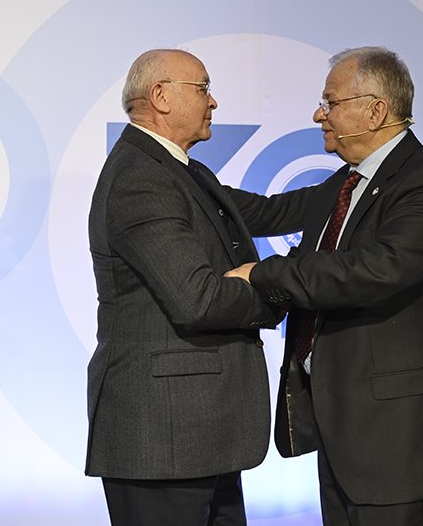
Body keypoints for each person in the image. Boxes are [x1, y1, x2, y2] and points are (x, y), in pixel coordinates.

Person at [226, 47, 423, 526]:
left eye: (330, 102)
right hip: (344, 429)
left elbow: (370, 273)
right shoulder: (345, 183)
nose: (318, 114)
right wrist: (179, 175)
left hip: (398, 437)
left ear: (375, 110)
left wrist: (262, 274)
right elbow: (267, 212)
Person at [85, 49, 308, 526]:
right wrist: (272, 287)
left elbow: (271, 212)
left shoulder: (182, 171)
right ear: (161, 97)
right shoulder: (140, 178)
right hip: (164, 437)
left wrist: (355, 185)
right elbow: (199, 299)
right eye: (203, 88)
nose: (214, 101)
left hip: (199, 433)